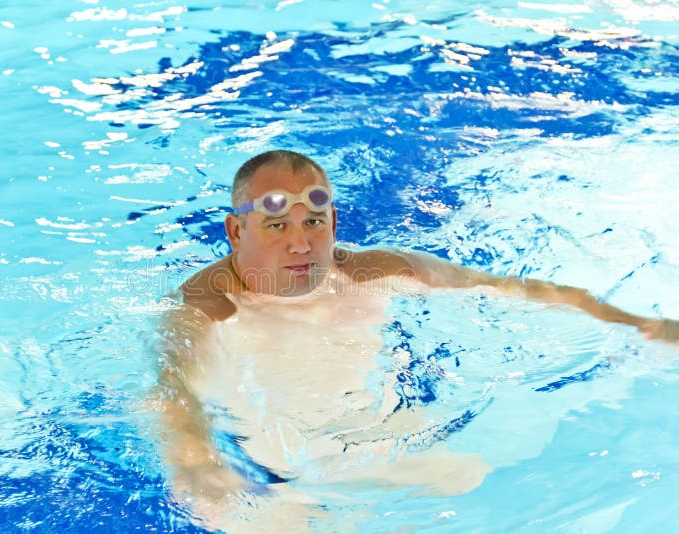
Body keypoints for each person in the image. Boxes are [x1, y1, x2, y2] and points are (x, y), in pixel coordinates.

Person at [154, 150, 678, 529]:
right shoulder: (209, 305)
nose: (300, 243)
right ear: (235, 233)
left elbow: (514, 291)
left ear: (333, 221)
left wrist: (641, 325)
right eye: (275, 226)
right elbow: (173, 392)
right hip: (280, 477)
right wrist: (194, 461)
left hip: (391, 435)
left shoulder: (377, 271)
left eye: (314, 221)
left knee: (469, 478)